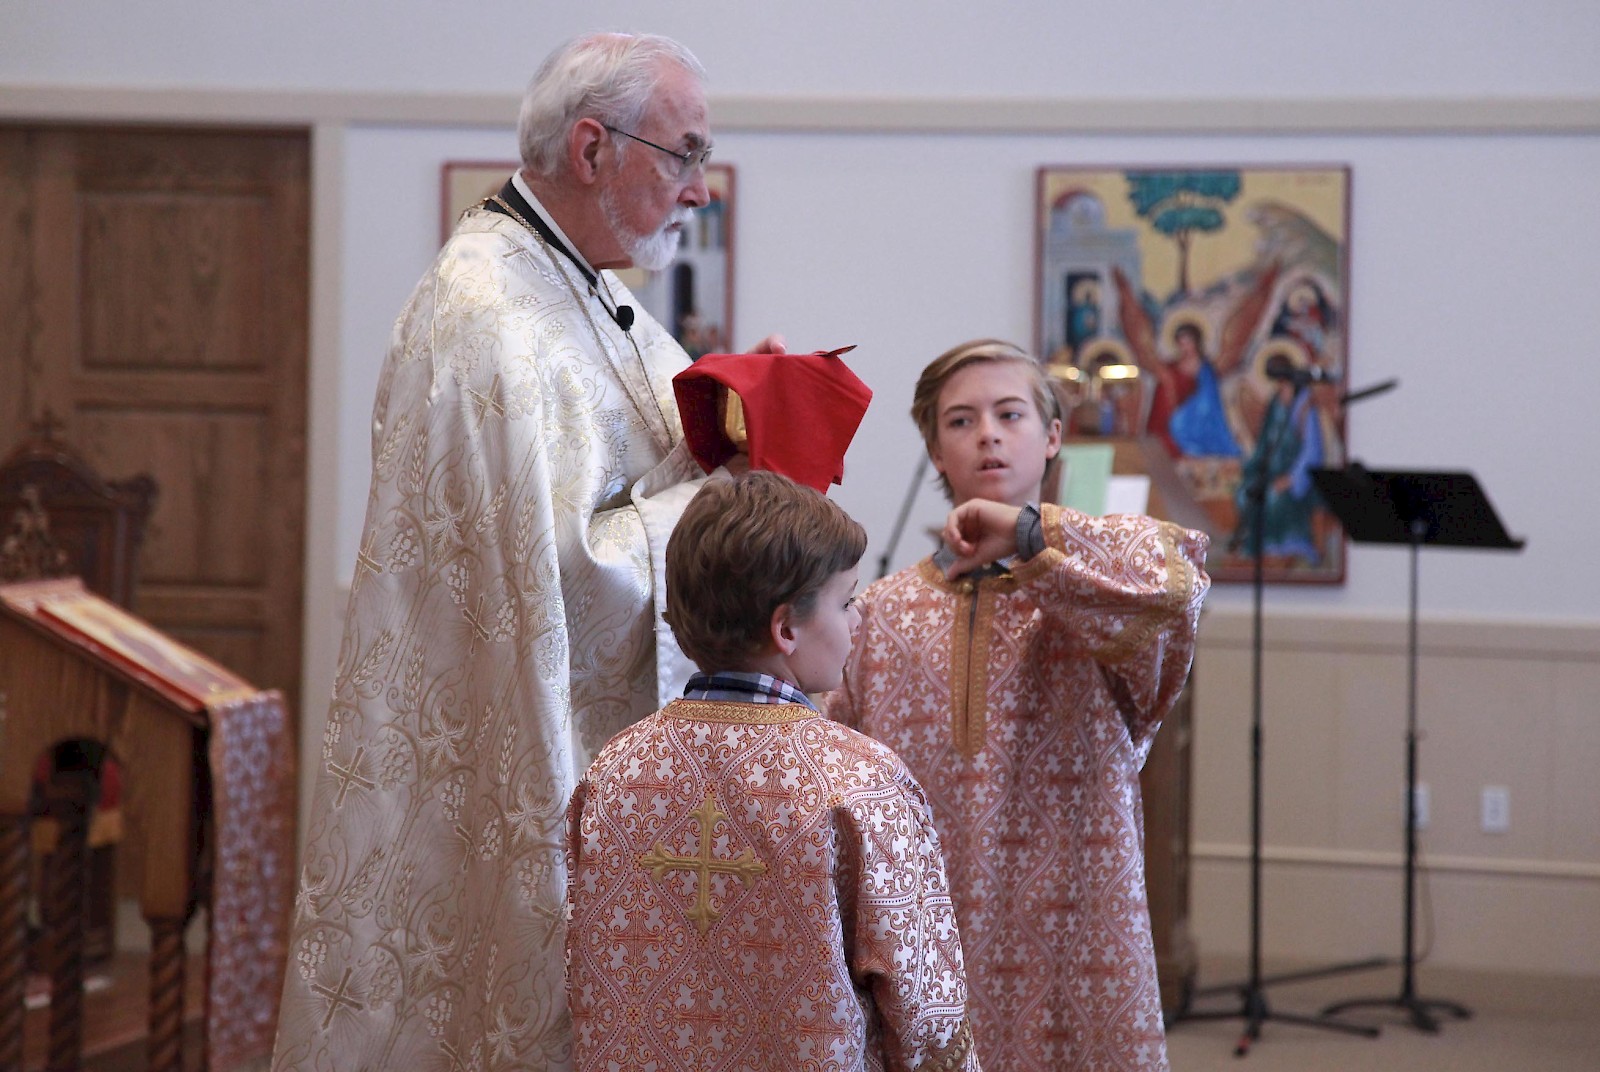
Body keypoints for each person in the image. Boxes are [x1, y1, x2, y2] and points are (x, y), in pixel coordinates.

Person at [273, 33, 782, 1072]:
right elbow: (561, 581)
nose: (698, 190)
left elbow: (641, 474)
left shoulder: (580, 286)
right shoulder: (489, 319)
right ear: (592, 149)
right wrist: (715, 494)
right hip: (509, 743)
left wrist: (734, 423)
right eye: (684, 155)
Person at [821, 340, 1210, 1072]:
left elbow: (1177, 580)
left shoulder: (1096, 598)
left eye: (1010, 414)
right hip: (928, 926)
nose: (988, 435)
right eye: (960, 421)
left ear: (1053, 435)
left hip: (1073, 925)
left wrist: (1030, 534)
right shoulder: (880, 613)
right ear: (935, 450)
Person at [566, 471, 981, 1071]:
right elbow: (927, 1015)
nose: (858, 621)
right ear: (786, 628)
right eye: (846, 601)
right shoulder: (859, 780)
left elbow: (587, 971)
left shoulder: (613, 773)